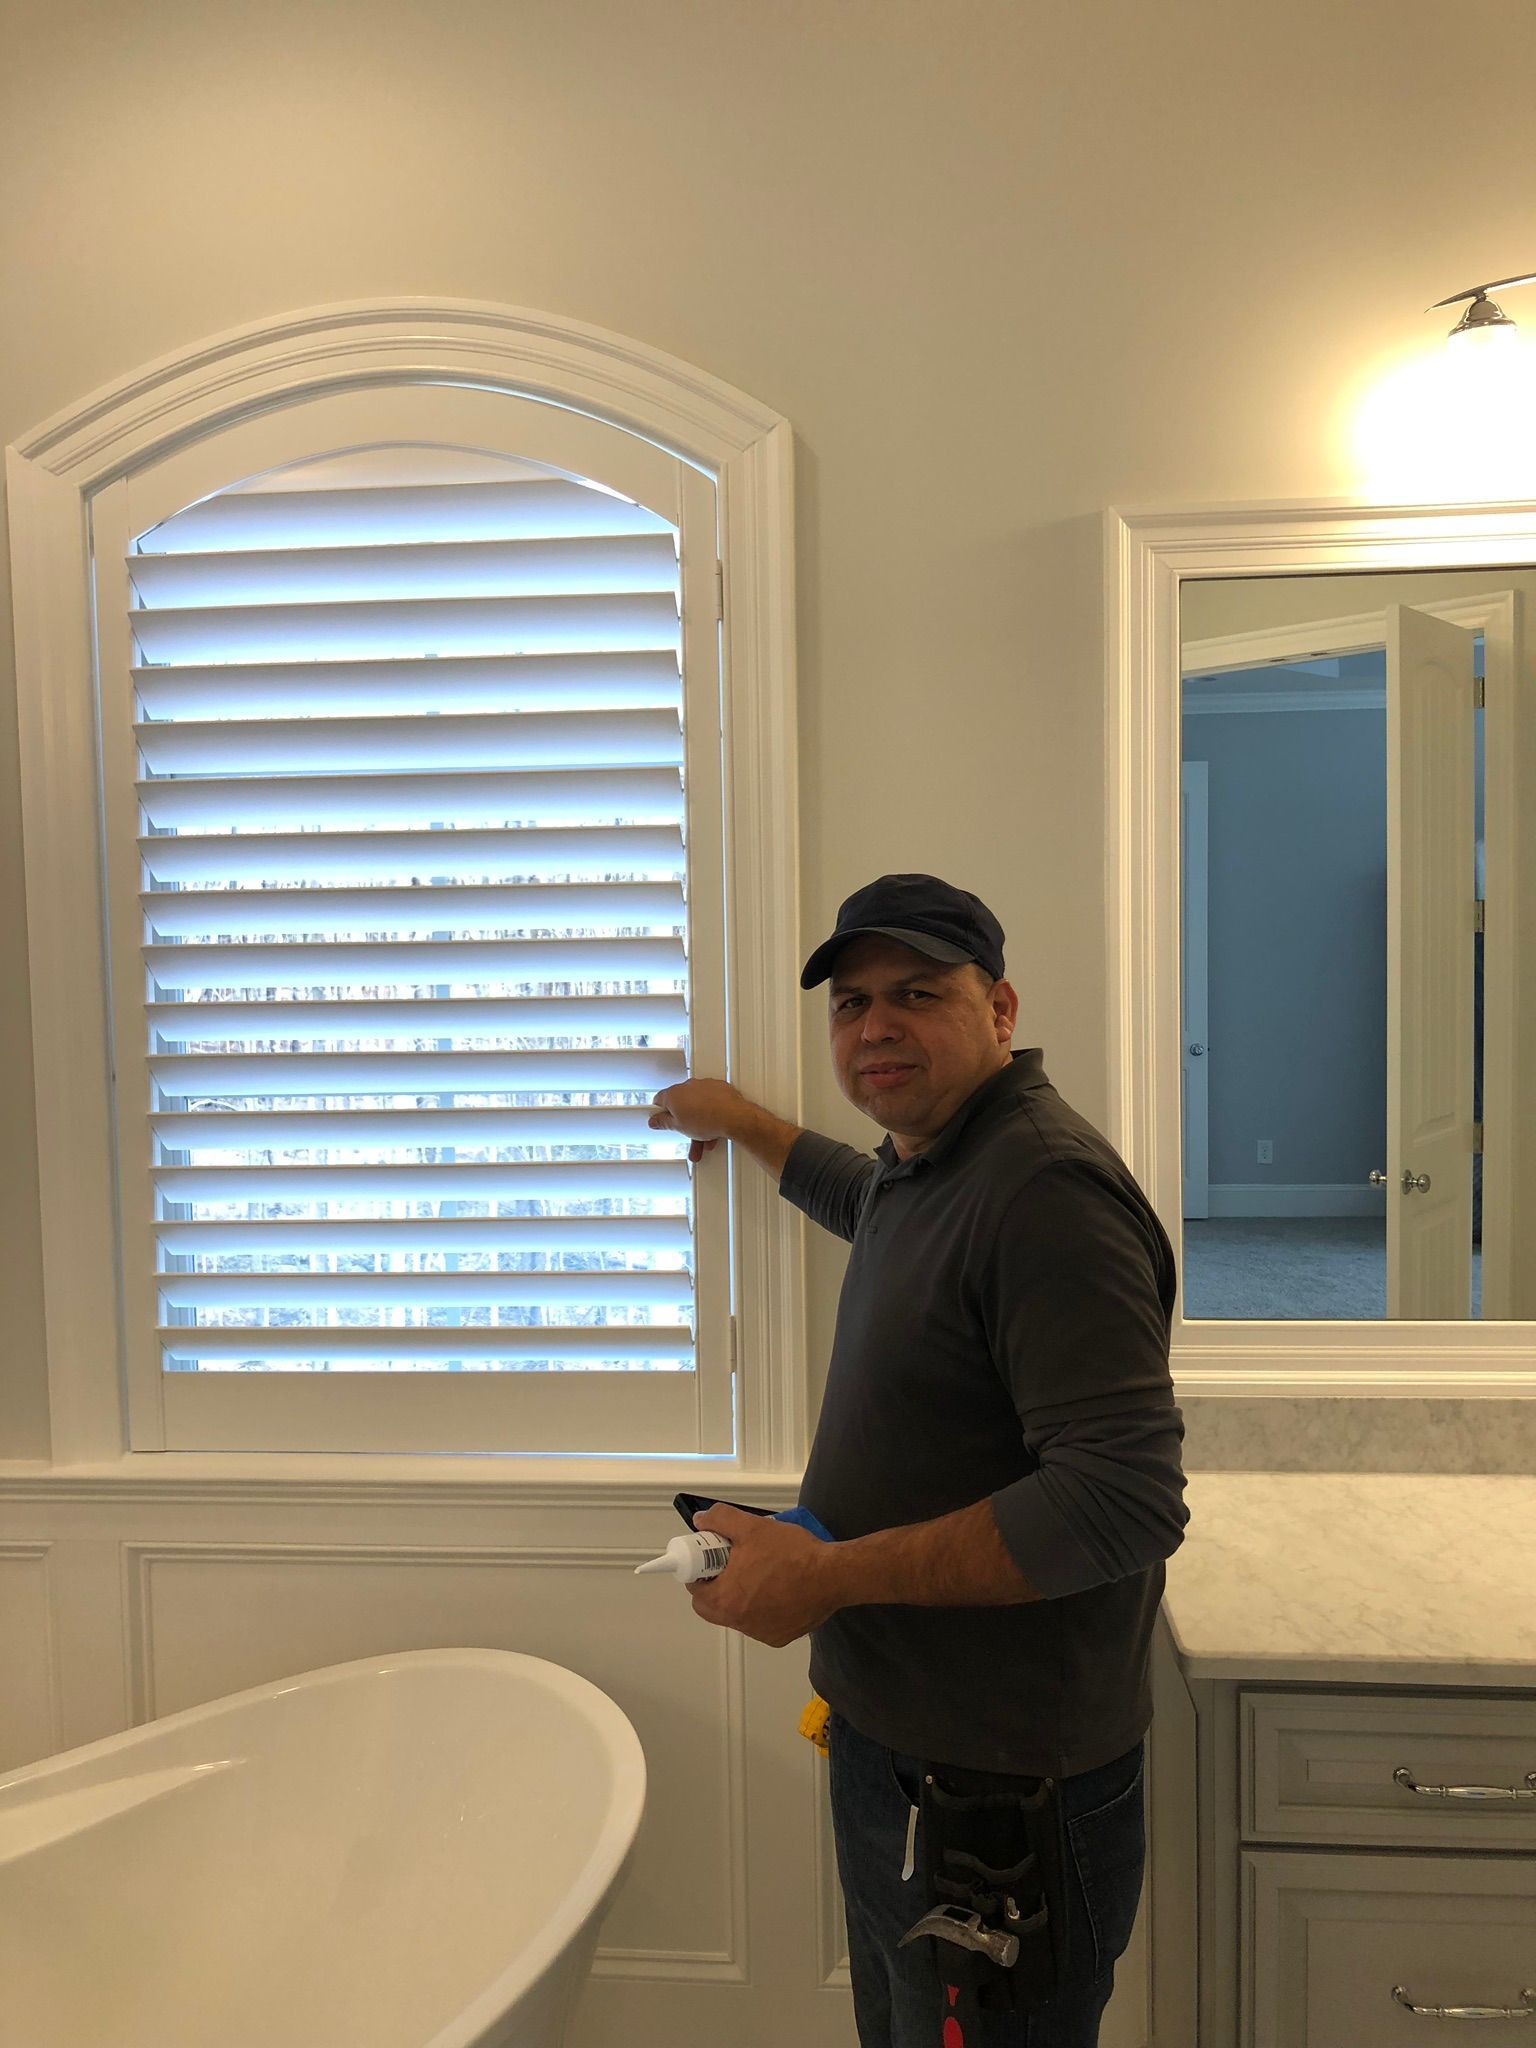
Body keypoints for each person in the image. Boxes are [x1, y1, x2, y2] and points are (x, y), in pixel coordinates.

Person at [648, 873, 1187, 2048]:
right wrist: (742, 1120)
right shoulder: (930, 1161)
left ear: (998, 1006)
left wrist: (825, 1574)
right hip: (905, 1750)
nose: (874, 1024)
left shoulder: (1041, 1188)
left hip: (1001, 1795)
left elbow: (1125, 1498)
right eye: (850, 1003)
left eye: (916, 993)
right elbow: (866, 1198)